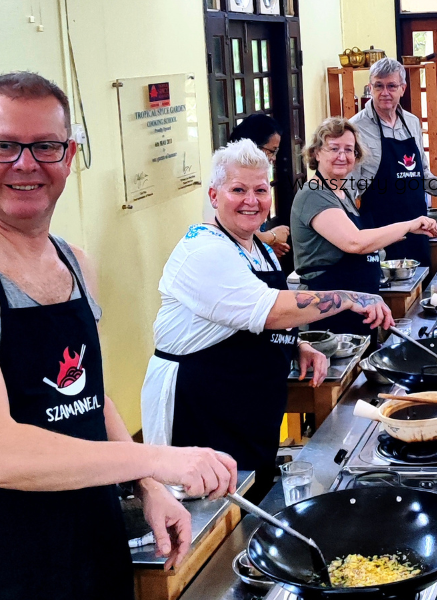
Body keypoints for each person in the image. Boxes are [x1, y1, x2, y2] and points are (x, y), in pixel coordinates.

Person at [0, 72, 237, 600]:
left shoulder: (74, 262)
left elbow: (88, 397)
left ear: (68, 156)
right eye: (4, 146)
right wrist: (158, 458)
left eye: (45, 146)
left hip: (76, 542)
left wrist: (150, 486)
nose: (27, 164)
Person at [141, 139, 393, 501]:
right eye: (238, 190)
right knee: (210, 517)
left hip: (246, 405)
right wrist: (349, 298)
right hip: (201, 409)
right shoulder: (204, 250)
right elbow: (272, 309)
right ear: (214, 196)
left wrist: (295, 344)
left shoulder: (257, 247)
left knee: (249, 501)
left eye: (260, 190)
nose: (251, 200)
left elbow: (249, 322)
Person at [292, 117, 437, 336]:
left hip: (357, 307)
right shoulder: (315, 194)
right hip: (327, 314)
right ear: (316, 153)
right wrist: (408, 225)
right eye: (334, 149)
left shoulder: (344, 192)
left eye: (349, 150)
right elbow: (354, 242)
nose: (342, 156)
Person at [349, 58, 437, 266]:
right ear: (370, 88)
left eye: (391, 86)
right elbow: (348, 189)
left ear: (402, 88)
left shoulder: (412, 123)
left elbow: (421, 174)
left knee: (419, 285)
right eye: (379, 86)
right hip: (378, 230)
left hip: (416, 226)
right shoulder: (355, 128)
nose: (385, 92)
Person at [229, 113, 290, 256]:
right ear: (254, 145)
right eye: (271, 151)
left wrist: (264, 245)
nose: (274, 158)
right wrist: (272, 236)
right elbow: (232, 232)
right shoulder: (228, 176)